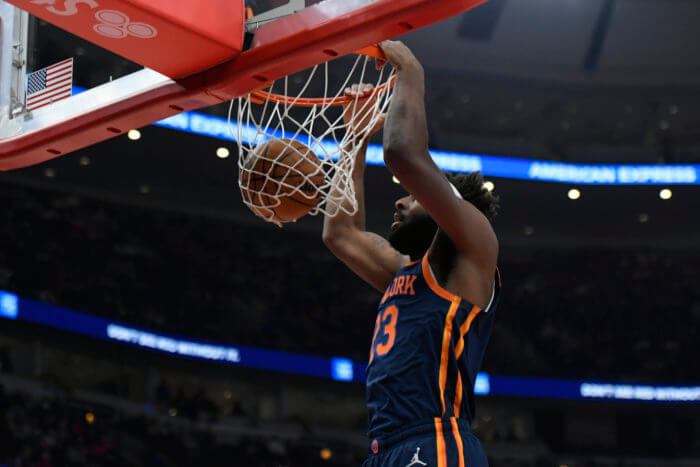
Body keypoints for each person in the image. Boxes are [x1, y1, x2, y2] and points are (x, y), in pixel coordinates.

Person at [323, 41, 501, 467]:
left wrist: (409, 67)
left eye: (413, 197)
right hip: (384, 448)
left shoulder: (473, 245)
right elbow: (340, 233)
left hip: (436, 440)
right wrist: (354, 138)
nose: (400, 203)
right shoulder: (405, 271)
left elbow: (403, 154)